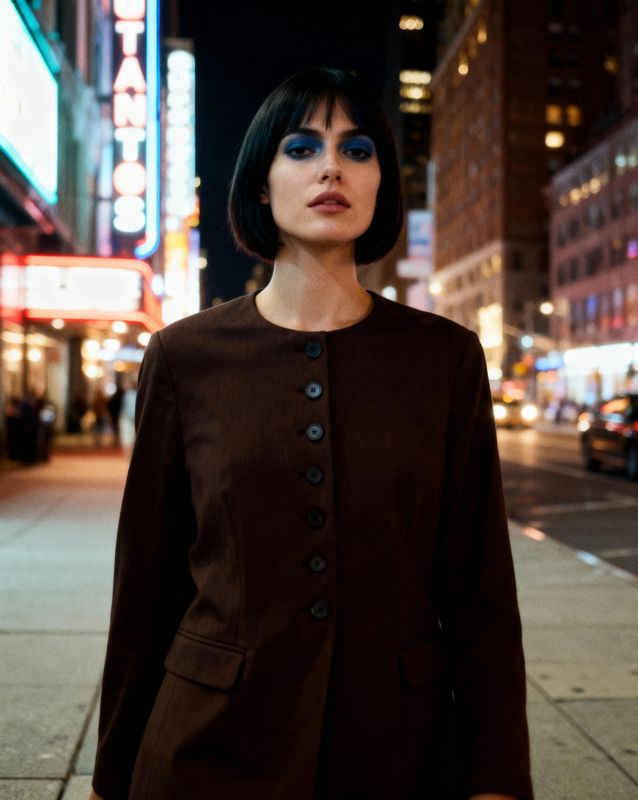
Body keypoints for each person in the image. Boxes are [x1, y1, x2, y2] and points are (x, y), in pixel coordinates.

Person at [89, 67, 533, 800]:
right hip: (207, 747)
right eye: (301, 148)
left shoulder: (444, 357)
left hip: (398, 749)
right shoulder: (182, 358)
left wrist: (498, 778)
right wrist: (111, 775)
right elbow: (145, 589)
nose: (332, 166)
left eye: (358, 150)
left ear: (383, 183)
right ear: (261, 184)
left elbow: (481, 591)